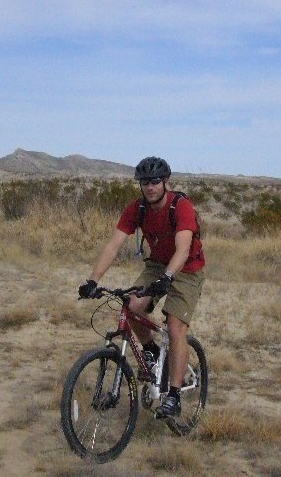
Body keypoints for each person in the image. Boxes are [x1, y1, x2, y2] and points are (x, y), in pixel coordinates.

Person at [78, 156, 205, 418]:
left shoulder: (181, 206)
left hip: (186, 267)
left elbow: (183, 249)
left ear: (166, 182)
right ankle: (152, 351)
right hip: (157, 265)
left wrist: (169, 277)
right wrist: (92, 281)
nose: (150, 187)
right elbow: (113, 245)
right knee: (132, 305)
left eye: (155, 181)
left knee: (174, 326)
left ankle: (173, 395)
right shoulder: (137, 209)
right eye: (145, 182)